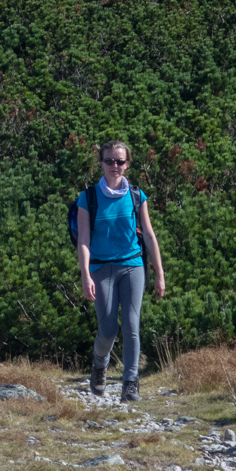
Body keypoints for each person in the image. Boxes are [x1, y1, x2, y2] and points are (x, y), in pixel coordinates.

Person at [76, 140, 166, 402]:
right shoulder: (88, 198)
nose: (115, 166)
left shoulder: (137, 196)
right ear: (101, 163)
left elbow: (149, 236)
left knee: (131, 325)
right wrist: (85, 275)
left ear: (127, 164)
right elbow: (83, 240)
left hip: (132, 266)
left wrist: (159, 274)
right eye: (109, 161)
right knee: (108, 331)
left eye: (120, 161)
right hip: (101, 268)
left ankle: (130, 383)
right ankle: (99, 365)